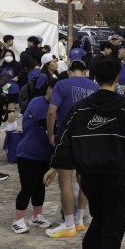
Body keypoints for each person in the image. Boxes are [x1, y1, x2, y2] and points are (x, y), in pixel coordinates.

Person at [47, 58, 125, 249]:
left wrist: (56, 165)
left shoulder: (79, 109)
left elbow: (63, 139)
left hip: (89, 175)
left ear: (95, 78)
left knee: (101, 215)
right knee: (114, 219)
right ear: (117, 78)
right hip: (116, 173)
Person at [44, 61, 99, 238]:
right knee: (84, 179)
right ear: (85, 71)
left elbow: (52, 110)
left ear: (69, 72)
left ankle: (68, 224)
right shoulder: (94, 86)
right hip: (88, 138)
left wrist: (51, 134)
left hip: (66, 136)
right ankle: (80, 219)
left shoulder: (61, 84)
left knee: (65, 181)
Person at [10, 76, 55, 234]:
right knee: (28, 187)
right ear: (49, 89)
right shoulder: (38, 102)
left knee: (40, 186)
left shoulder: (53, 106)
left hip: (44, 154)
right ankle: (18, 220)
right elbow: (48, 123)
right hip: (28, 153)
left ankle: (36, 216)